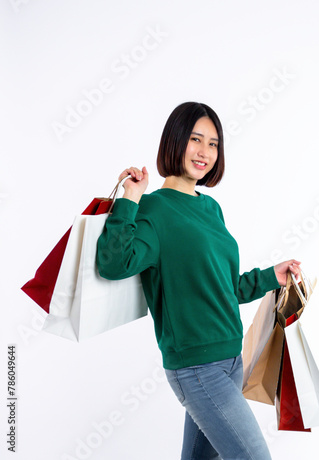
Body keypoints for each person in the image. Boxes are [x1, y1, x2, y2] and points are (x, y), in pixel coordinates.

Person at [96, 101, 302, 460]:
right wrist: (131, 198)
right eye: (195, 139)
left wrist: (272, 275)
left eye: (213, 143)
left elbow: (225, 287)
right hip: (197, 369)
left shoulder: (210, 208)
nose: (205, 152)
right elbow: (114, 264)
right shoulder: (155, 209)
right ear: (175, 141)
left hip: (231, 361)